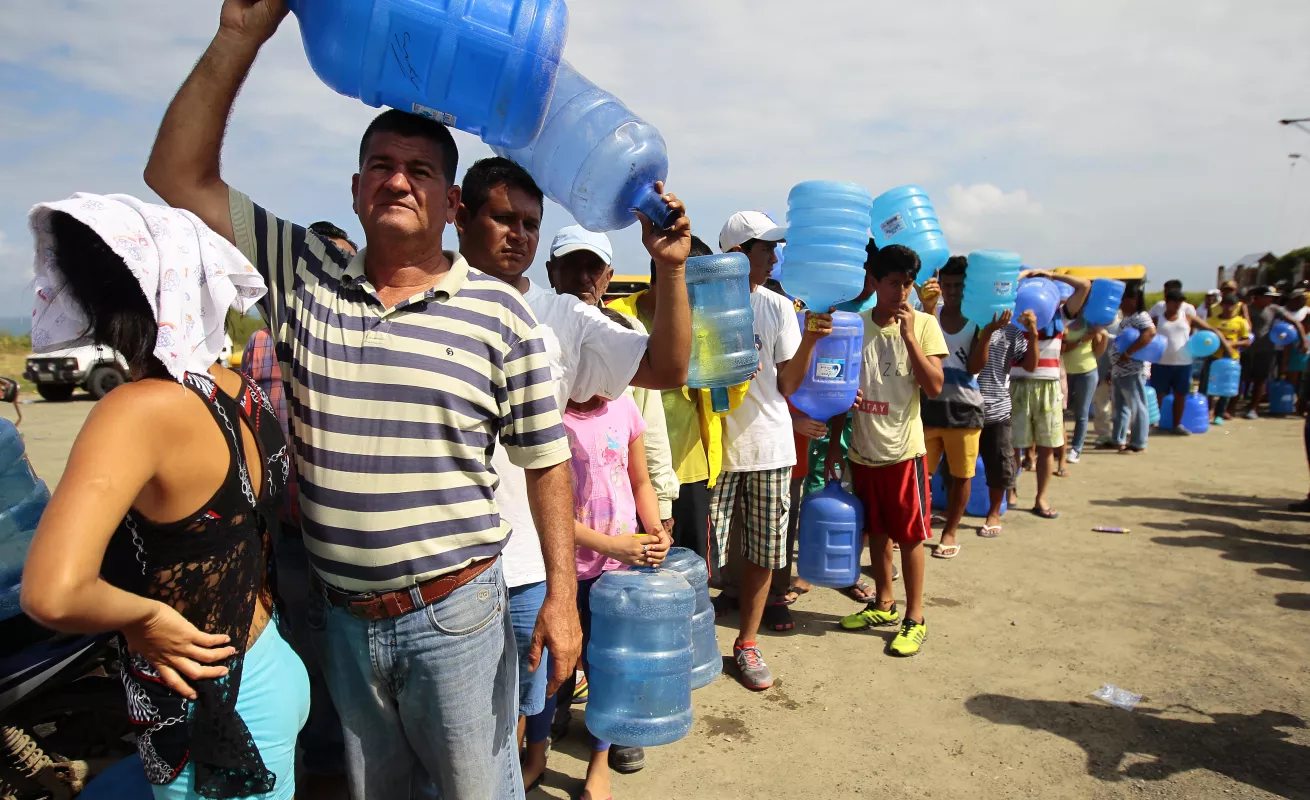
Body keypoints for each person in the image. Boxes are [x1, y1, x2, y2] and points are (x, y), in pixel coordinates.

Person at [144, 5, 586, 794]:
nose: (398, 180)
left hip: (458, 617)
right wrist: (240, 34)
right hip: (343, 620)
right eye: (381, 165)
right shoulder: (302, 271)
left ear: (451, 204)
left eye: (420, 171)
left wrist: (562, 595)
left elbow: (547, 462)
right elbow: (176, 175)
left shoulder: (501, 311)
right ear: (355, 189)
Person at [22, 197, 306, 799]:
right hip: (267, 660)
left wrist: (146, 617)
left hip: (211, 708)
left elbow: (52, 592)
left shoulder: (137, 410)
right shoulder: (238, 390)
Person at [451, 157, 689, 785]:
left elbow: (667, 369)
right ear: (459, 215)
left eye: (530, 223)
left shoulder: (562, 317)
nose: (519, 235)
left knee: (520, 717)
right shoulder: (425, 297)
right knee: (461, 736)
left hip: (527, 567)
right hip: (443, 570)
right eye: (503, 218)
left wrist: (670, 267)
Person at [708, 210, 831, 690]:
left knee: (764, 551)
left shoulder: (777, 306)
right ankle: (694, 639)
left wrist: (812, 339)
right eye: (767, 249)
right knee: (703, 553)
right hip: (712, 451)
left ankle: (747, 642)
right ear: (739, 255)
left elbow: (788, 384)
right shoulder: (701, 301)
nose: (775, 258)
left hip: (770, 448)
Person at [561, 307, 671, 800]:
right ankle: (553, 717)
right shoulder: (553, 413)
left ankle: (605, 748)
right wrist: (609, 544)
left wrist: (655, 529)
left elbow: (640, 480)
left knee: (612, 661)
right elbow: (549, 512)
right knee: (564, 658)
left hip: (620, 568)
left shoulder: (625, 408)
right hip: (570, 566)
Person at [240, 326, 345, 788]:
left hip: (351, 538)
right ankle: (324, 762)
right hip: (290, 536)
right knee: (306, 653)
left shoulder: (347, 328)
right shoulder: (262, 343)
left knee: (361, 655)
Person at [832, 244, 947, 657]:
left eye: (907, 283)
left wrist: (910, 336)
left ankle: (915, 618)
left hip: (904, 453)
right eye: (893, 282)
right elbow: (838, 386)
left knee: (910, 536)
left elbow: (934, 386)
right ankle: (884, 604)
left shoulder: (926, 325)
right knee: (877, 532)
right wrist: (844, 417)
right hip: (863, 450)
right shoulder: (854, 326)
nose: (901, 292)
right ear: (874, 282)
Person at [608, 236, 748, 562]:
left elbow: (723, 402)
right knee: (638, 569)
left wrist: (738, 377)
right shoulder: (617, 319)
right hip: (630, 475)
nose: (699, 297)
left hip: (690, 470)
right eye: (693, 287)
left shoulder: (705, 324)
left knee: (691, 569)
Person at [546, 226, 681, 533]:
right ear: (552, 272)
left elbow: (649, 423)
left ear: (608, 277)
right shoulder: (534, 329)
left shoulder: (627, 333)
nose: (584, 277)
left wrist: (660, 505)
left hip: (618, 512)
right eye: (572, 265)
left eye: (593, 268)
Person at [916, 256, 985, 559]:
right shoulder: (928, 312)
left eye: (959, 285)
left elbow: (974, 367)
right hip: (927, 409)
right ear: (940, 285)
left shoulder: (978, 320)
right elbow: (920, 352)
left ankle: (950, 532)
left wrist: (989, 332)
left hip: (965, 411)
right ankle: (916, 527)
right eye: (948, 285)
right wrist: (928, 309)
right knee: (919, 475)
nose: (953, 291)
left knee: (961, 476)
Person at [1008, 270, 1090, 518]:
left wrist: (1051, 274)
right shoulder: (1014, 315)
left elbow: (1084, 286)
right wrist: (1023, 276)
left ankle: (1040, 498)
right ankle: (1010, 491)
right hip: (1018, 383)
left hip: (1048, 386)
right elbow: (1000, 289)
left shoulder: (1059, 316)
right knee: (1013, 446)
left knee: (1046, 447)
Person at [974, 297, 1038, 537]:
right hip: (964, 407)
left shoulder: (1012, 332)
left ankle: (994, 513)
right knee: (956, 467)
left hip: (997, 409)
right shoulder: (967, 323)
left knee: (999, 465)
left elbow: (1030, 365)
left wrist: (1033, 334)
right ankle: (951, 510)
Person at [1149, 288, 1231, 433]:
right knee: (1159, 395)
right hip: (1161, 363)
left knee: (1181, 395)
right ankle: (1155, 424)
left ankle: (1177, 425)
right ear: (1167, 302)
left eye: (1180, 302)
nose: (1177, 305)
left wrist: (1226, 346)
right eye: (1175, 302)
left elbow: (1212, 330)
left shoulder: (1187, 317)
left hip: (1183, 363)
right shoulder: (1157, 319)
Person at [1243, 286, 1310, 419]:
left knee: (1261, 379)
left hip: (1266, 349)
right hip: (1245, 349)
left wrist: (1303, 340)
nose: (1270, 299)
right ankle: (1230, 407)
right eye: (1268, 296)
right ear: (1257, 297)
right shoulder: (1246, 308)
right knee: (1243, 378)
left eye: (1272, 297)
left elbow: (1295, 322)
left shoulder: (1274, 309)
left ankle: (1253, 408)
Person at [1105, 283, 1157, 453]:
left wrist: (1129, 352)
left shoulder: (1140, 316)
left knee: (1137, 406)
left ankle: (1138, 443)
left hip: (1133, 369)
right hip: (1119, 369)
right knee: (1120, 407)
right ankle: (1118, 439)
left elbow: (1150, 332)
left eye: (1124, 299)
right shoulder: (1127, 318)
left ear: (1133, 299)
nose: (1121, 303)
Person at [1061, 312, 1108, 463]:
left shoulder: (1090, 322)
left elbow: (1098, 351)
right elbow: (1062, 348)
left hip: (1087, 372)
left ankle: (1076, 449)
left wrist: (1104, 337)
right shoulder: (1063, 320)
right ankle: (1059, 448)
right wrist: (1082, 340)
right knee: (1060, 411)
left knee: (1081, 412)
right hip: (1064, 373)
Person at [1205, 291, 1252, 424]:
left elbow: (1247, 341)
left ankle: (1220, 413)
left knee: (1226, 386)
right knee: (1209, 384)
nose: (1228, 308)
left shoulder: (1241, 322)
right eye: (1225, 305)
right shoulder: (1211, 321)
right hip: (1214, 356)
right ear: (1221, 306)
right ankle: (1209, 410)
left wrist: (1232, 344)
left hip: (1231, 358)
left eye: (1231, 305)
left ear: (1236, 306)